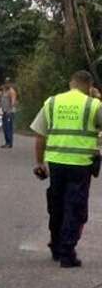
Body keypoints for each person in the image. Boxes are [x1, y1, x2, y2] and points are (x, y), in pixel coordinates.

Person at [30, 70, 102, 267]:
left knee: (57, 204)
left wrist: (39, 162)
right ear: (89, 86)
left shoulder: (52, 102)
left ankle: (56, 245)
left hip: (56, 162)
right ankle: (67, 253)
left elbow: (40, 136)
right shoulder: (93, 104)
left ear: (71, 83)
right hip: (81, 165)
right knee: (75, 206)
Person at [0, 79, 17, 148]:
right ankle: (7, 142)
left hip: (9, 112)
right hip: (4, 111)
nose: (7, 84)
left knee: (8, 128)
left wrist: (9, 110)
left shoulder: (11, 91)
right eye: (6, 83)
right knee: (5, 128)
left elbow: (13, 102)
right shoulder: (4, 91)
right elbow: (1, 100)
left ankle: (9, 142)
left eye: (8, 83)